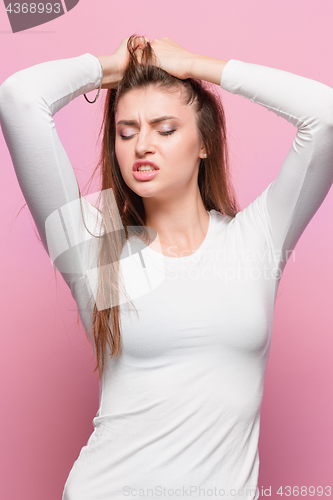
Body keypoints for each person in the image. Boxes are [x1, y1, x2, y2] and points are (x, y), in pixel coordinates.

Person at [0, 35, 332, 500]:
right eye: (126, 131)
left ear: (204, 143)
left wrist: (197, 65)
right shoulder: (96, 249)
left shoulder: (255, 241)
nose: (142, 146)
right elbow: (19, 97)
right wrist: (108, 68)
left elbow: (326, 117)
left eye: (165, 128)